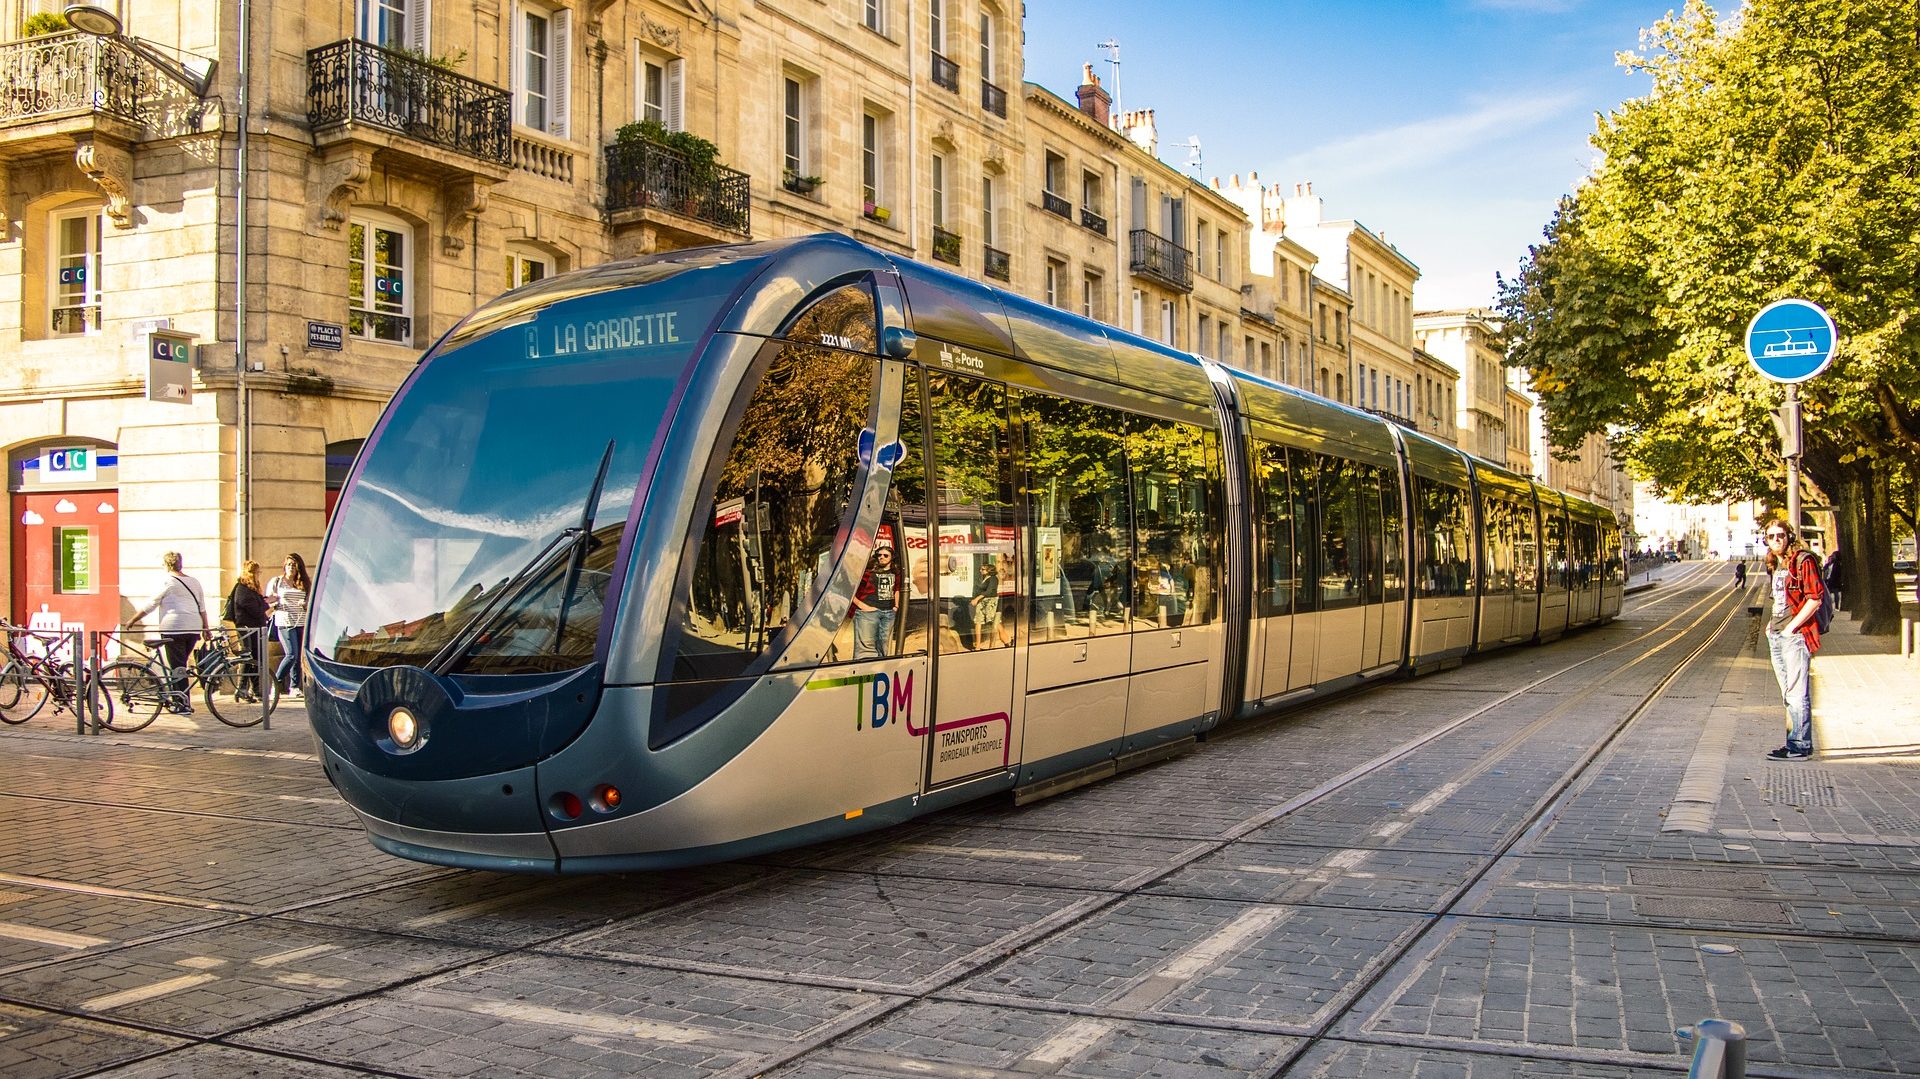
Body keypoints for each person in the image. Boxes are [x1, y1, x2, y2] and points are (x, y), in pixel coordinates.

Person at [1762, 521, 1824, 761]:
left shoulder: (1803, 560)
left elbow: (1815, 598)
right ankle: (1795, 742)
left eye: (1780, 535)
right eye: (1771, 536)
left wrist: (1791, 628)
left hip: (1795, 636)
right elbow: (1780, 600)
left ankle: (1799, 746)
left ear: (1789, 536)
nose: (1776, 540)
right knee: (1788, 693)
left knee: (1797, 693)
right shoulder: (1775, 564)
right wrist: (1771, 625)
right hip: (1777, 635)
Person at [128, 551, 207, 711]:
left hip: (174, 628)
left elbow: (151, 604)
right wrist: (206, 628)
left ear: (166, 565)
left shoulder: (167, 581)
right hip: (193, 628)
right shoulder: (194, 582)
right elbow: (202, 608)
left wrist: (133, 620)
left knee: (177, 666)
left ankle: (181, 703)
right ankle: (180, 699)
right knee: (180, 665)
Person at [267, 553, 311, 698]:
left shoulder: (304, 583)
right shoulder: (277, 581)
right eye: (289, 564)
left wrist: (305, 604)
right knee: (291, 654)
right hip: (284, 621)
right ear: (284, 566)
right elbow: (268, 601)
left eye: (294, 565)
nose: (291, 567)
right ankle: (276, 683)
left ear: (299, 567)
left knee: (298, 656)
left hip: (301, 621)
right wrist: (275, 603)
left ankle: (294, 687)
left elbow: (310, 602)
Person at [226, 560, 270, 702]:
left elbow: (257, 605)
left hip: (255, 628)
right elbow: (252, 608)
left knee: (256, 659)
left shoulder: (252, 589)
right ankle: (242, 689)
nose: (258, 575)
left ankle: (255, 690)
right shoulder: (242, 588)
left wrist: (265, 602)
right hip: (247, 629)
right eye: (256, 572)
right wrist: (266, 604)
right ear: (249, 573)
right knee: (248, 658)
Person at [851, 545, 898, 659]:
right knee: (865, 650)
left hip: (889, 612)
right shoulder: (867, 572)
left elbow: (897, 589)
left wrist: (896, 606)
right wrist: (862, 606)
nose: (882, 557)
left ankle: (878, 669)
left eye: (885, 555)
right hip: (868, 612)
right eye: (879, 555)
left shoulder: (896, 573)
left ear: (891, 558)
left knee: (883, 648)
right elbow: (849, 588)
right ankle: (864, 669)